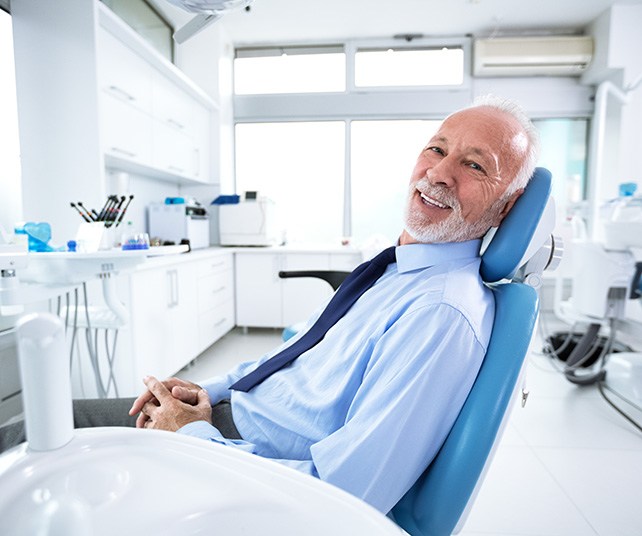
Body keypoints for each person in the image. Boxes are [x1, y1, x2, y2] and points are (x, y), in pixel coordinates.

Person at [0, 94, 540, 515]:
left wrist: (192, 437)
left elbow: (346, 493)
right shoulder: (400, 270)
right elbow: (295, 362)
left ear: (506, 206)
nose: (439, 173)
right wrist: (209, 391)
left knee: (37, 433)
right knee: (37, 427)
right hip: (228, 421)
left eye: (475, 166)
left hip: (249, 470)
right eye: (437, 148)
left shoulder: (440, 315)